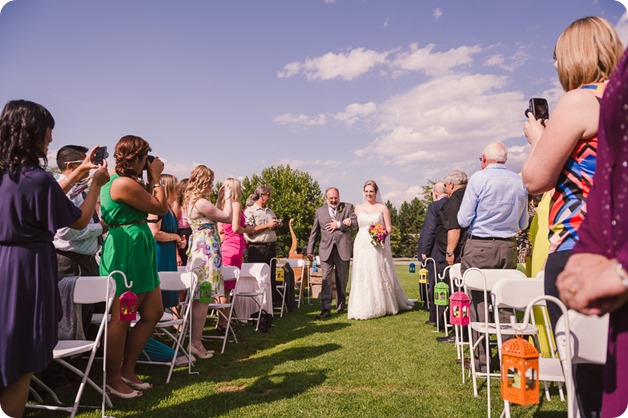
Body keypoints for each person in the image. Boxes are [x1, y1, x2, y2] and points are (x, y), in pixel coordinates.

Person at [521, 16, 622, 416]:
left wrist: (538, 138)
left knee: (589, 385)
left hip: (579, 248)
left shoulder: (581, 100)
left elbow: (534, 178)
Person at [0, 100, 109, 417]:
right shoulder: (36, 178)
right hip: (27, 268)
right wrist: (95, 186)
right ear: (33, 132)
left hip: (4, 263)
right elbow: (78, 220)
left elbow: (47, 190)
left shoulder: (11, 175)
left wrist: (79, 171)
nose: (50, 138)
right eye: (48, 131)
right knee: (23, 352)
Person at [556, 46, 628, 418]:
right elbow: (611, 174)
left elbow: (535, 176)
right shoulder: (614, 92)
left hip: (589, 249)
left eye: (558, 56)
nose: (555, 65)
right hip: (599, 246)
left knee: (588, 376)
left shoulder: (577, 101)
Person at [99, 135, 168, 398]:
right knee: (123, 318)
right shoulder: (122, 183)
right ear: (136, 158)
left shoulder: (128, 181)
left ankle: (128, 369)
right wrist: (156, 178)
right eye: (145, 157)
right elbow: (159, 209)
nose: (148, 162)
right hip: (127, 250)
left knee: (153, 311)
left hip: (139, 248)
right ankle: (112, 377)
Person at [457, 141, 529, 372]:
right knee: (505, 303)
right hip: (507, 247)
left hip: (479, 245)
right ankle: (508, 359)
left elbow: (463, 219)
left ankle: (482, 361)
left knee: (478, 303)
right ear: (505, 160)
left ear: (484, 159)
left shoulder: (479, 179)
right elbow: (523, 222)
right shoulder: (519, 181)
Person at [183, 165, 232, 359]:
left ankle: (196, 341)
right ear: (204, 181)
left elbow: (213, 215)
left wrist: (219, 200)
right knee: (203, 298)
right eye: (210, 181)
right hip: (206, 254)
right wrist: (228, 197)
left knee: (201, 298)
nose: (212, 185)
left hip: (201, 250)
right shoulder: (200, 202)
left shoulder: (193, 201)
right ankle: (195, 342)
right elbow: (226, 217)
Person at [347, 180, 414, 320]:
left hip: (376, 242)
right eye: (366, 191)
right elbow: (354, 225)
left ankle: (384, 304)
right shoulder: (358, 208)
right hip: (361, 243)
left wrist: (381, 234)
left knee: (377, 270)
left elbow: (389, 228)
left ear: (376, 192)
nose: (368, 194)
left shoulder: (383, 208)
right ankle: (361, 305)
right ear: (363, 192)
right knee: (362, 271)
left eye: (371, 191)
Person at [306, 186, 357, 319]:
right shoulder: (319, 211)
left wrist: (340, 224)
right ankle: (326, 309)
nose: (333, 200)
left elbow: (356, 224)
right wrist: (309, 251)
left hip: (343, 249)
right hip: (325, 251)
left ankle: (341, 306)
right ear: (326, 198)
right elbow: (314, 232)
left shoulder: (348, 207)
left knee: (342, 280)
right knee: (326, 279)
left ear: (339, 197)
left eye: (336, 198)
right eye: (331, 198)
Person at [433, 170, 468, 343]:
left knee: (457, 292)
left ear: (451, 185)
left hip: (458, 253)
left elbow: (454, 227)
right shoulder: (467, 196)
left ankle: (459, 331)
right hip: (465, 250)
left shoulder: (455, 200)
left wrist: (449, 251)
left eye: (446, 185)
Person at [148, 174, 186, 308]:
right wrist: (175, 237)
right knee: (160, 288)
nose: (177, 191)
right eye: (175, 187)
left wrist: (179, 242)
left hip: (168, 252)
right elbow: (154, 232)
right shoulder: (156, 206)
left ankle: (173, 323)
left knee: (170, 288)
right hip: (159, 253)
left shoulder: (169, 207)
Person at [416, 182, 448, 326]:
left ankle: (436, 317)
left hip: (436, 251)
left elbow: (429, 230)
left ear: (435, 193)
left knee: (435, 285)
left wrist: (424, 251)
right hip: (451, 251)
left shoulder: (434, 206)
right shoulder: (455, 204)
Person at [244, 184, 282, 303]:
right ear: (261, 195)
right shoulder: (250, 211)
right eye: (268, 195)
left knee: (271, 278)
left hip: (271, 247)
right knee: (258, 278)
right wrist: (267, 225)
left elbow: (271, 227)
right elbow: (250, 231)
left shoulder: (270, 211)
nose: (270, 197)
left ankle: (269, 306)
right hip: (257, 249)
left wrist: (277, 225)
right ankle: (258, 305)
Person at [173, 178, 191, 267]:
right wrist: (176, 254)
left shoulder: (191, 205)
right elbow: (173, 230)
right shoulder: (177, 206)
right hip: (182, 243)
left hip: (191, 243)